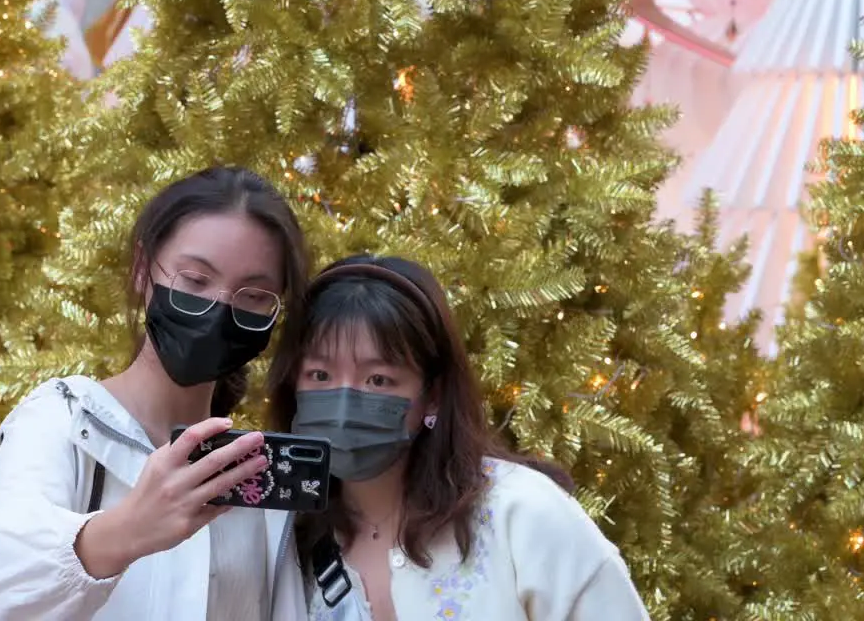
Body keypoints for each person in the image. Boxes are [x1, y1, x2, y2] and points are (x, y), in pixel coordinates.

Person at [0, 167, 311, 620]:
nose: (218, 308)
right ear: (142, 269)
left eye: (253, 295)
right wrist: (124, 531)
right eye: (195, 280)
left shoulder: (253, 468)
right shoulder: (65, 422)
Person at [266, 255, 650, 621]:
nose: (344, 402)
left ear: (432, 396)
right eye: (320, 375)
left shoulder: (522, 513)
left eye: (377, 380)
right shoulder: (285, 538)